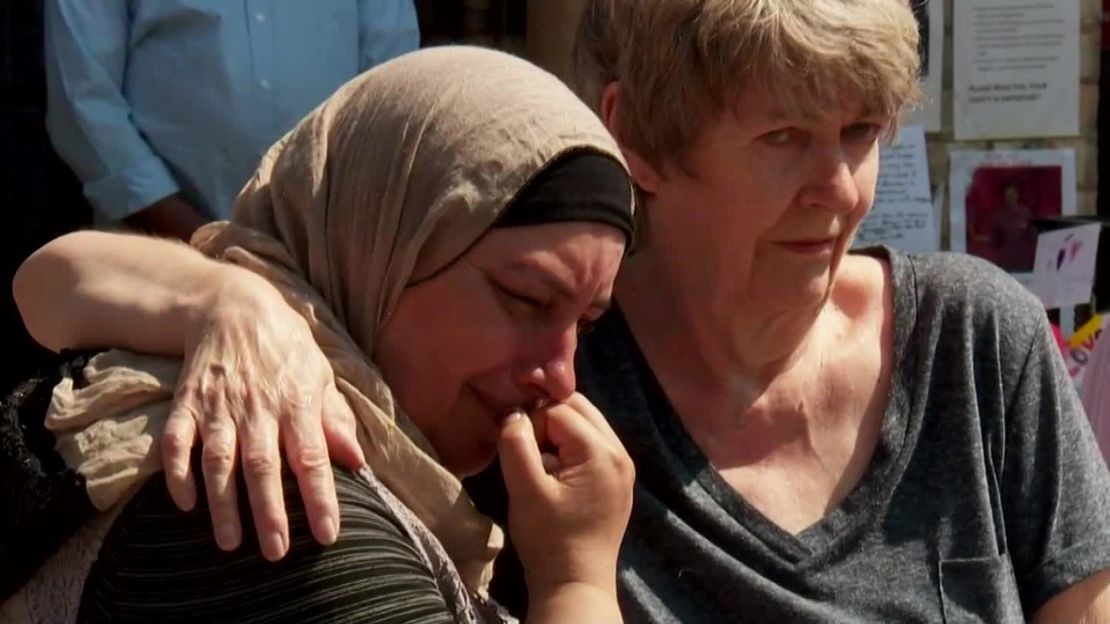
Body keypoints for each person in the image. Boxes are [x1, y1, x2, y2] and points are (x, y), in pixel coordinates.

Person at [14, 0, 1110, 622]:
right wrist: (238, 304)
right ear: (642, 136)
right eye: (783, 138)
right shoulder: (458, 417)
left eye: (863, 134)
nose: (840, 192)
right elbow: (50, 283)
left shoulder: (977, 338)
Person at [4, 46, 635, 623]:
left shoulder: (407, 449)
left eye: (584, 323)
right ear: (381, 244)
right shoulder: (279, 491)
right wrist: (576, 581)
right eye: (526, 298)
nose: (561, 377)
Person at [44, 0, 419, 240]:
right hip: (157, 266)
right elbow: (83, 104)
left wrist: (331, 243)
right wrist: (198, 239)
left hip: (323, 269)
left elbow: (393, 89)